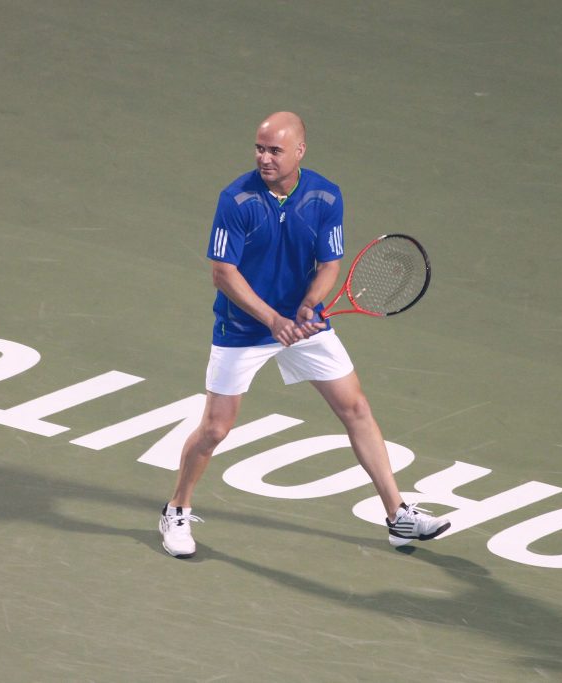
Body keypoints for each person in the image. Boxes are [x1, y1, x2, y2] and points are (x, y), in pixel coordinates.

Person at [158, 111, 450, 558]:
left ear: (299, 151)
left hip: (303, 321)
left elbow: (330, 263)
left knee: (355, 408)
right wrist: (273, 321)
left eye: (274, 150)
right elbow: (223, 273)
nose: (264, 157)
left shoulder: (325, 196)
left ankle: (398, 517)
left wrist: (311, 303)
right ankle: (176, 509)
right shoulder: (235, 200)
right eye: (259, 147)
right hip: (243, 325)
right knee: (216, 428)